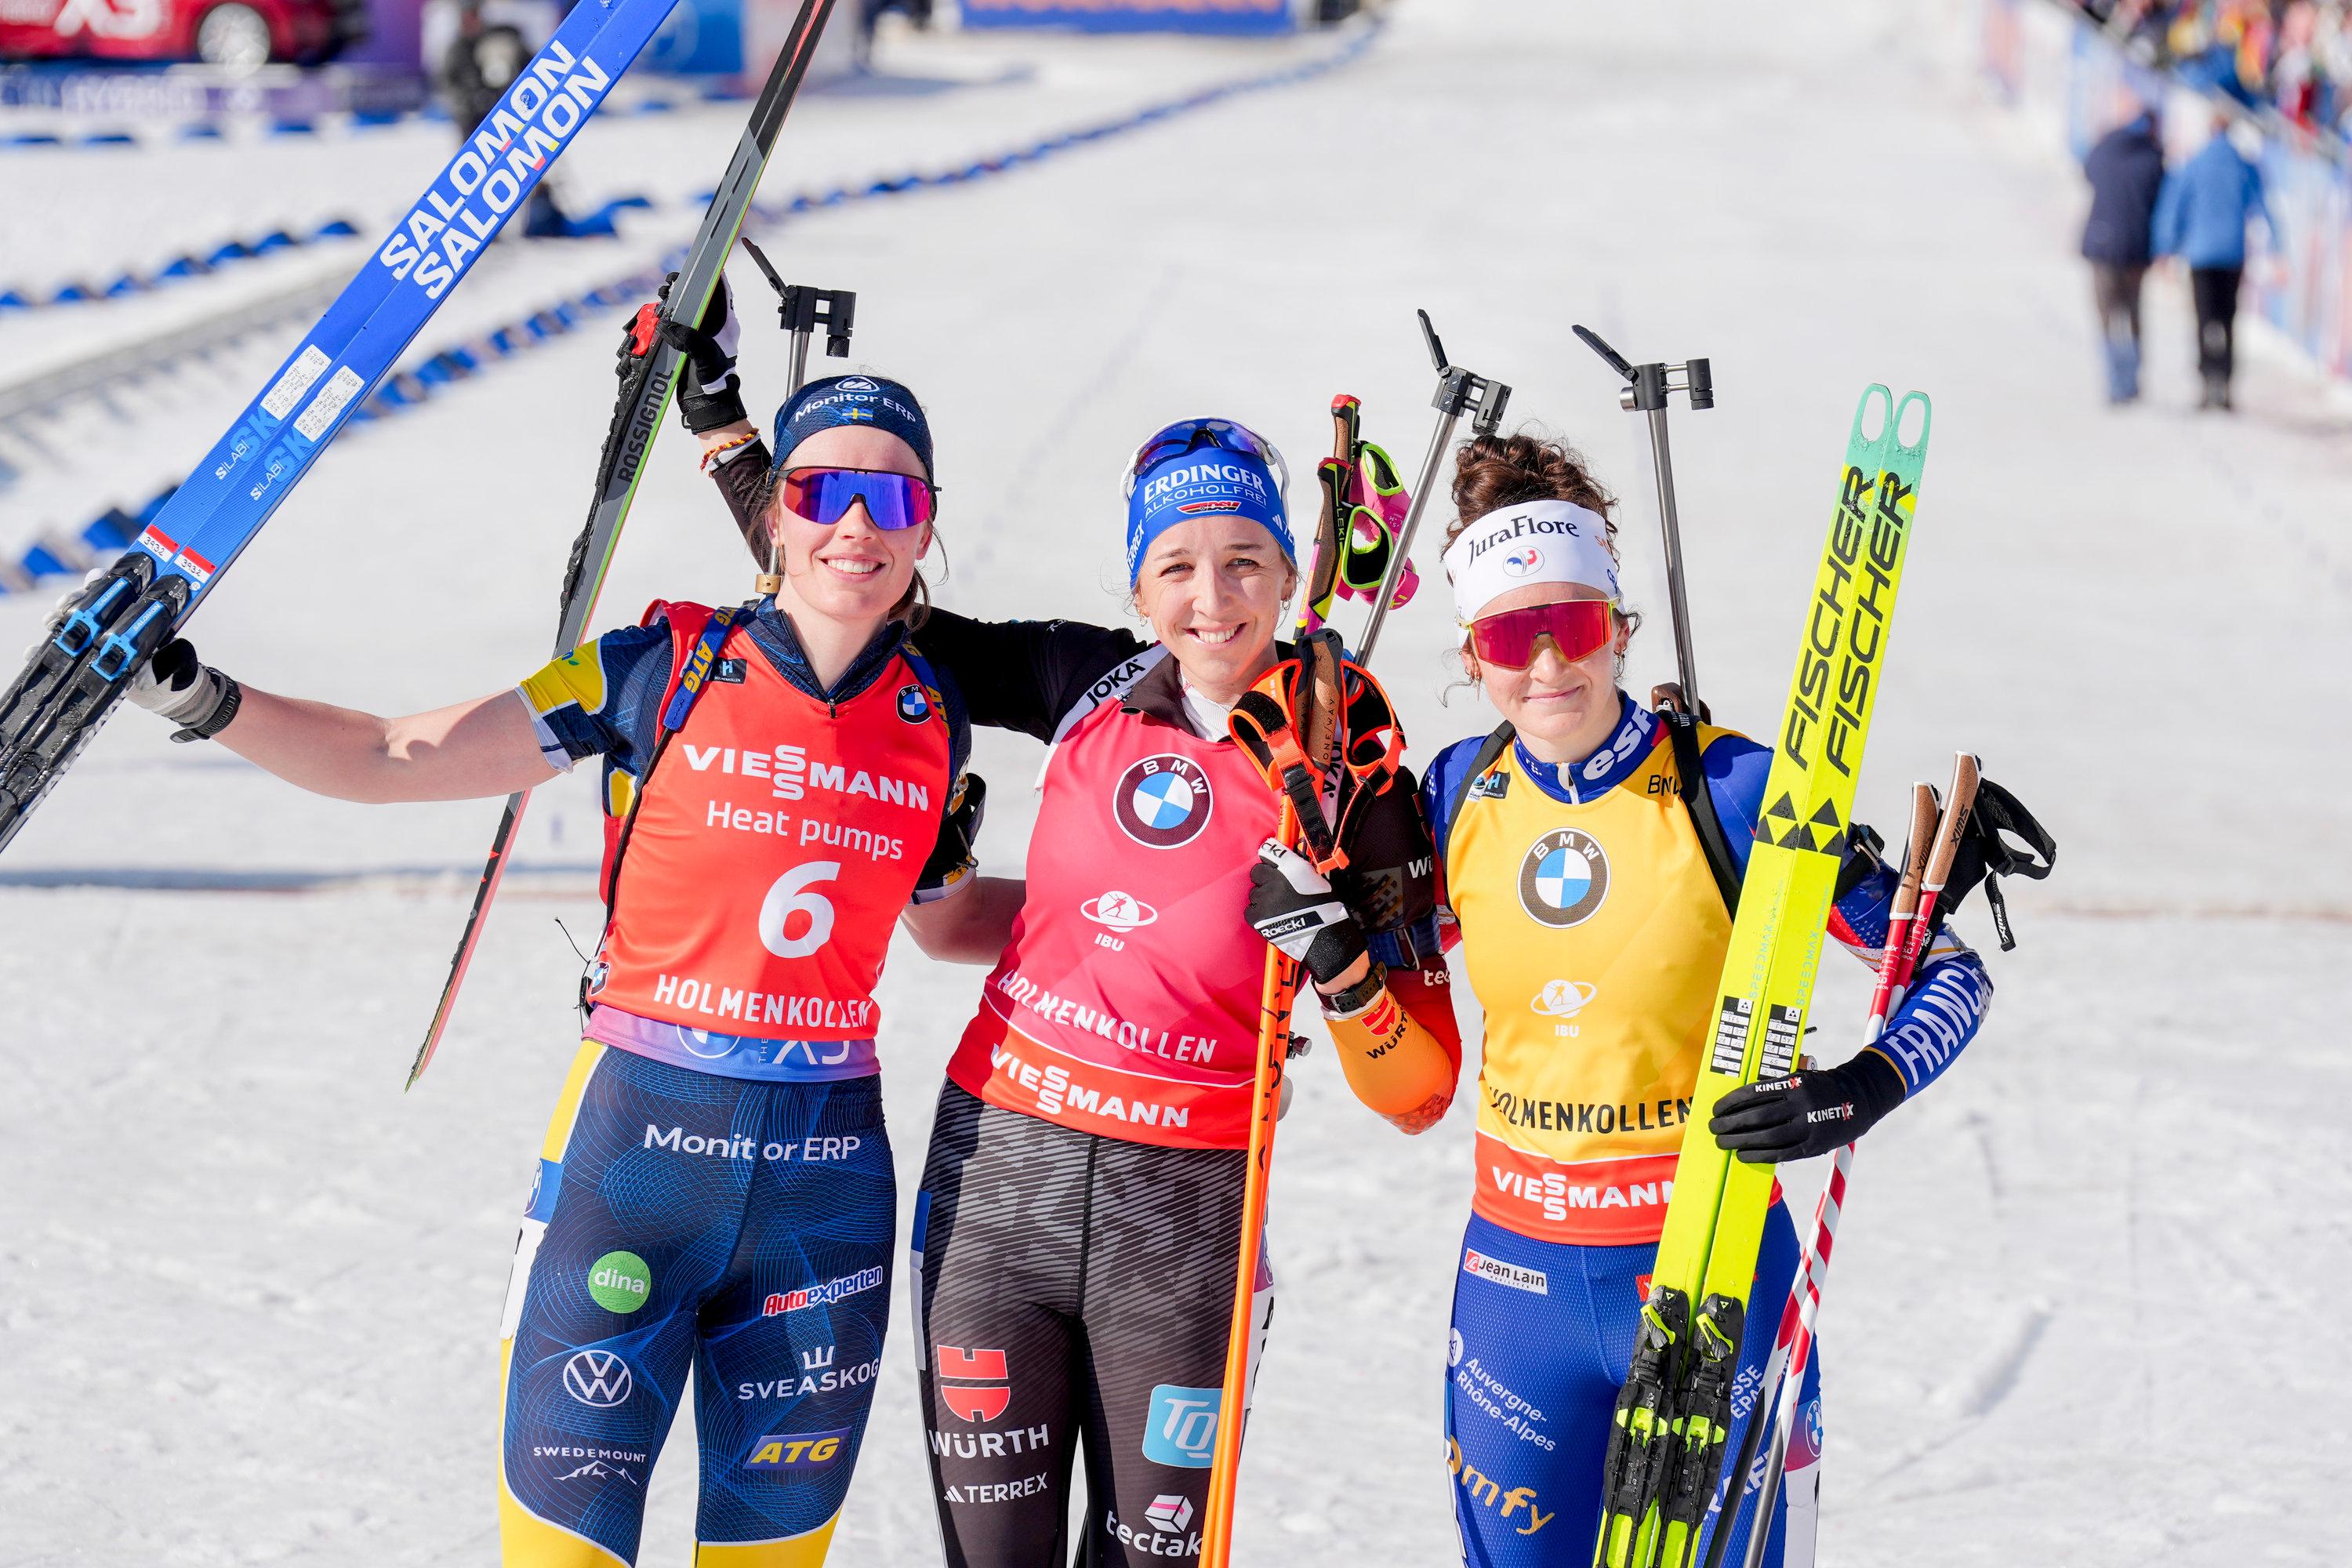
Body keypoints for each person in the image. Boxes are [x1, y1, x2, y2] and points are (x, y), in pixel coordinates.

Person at [86, 367, 978, 1567]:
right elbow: (399, 755)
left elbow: (957, 922)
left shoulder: (934, 717)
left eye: (890, 493)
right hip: (636, 1162)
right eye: (823, 487)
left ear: (927, 518)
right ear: (780, 511)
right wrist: (202, 698)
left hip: (827, 1194)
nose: (856, 523)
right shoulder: (655, 666)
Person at [679, 319, 1453, 1563]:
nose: (1212, 600)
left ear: (1289, 576)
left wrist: (1339, 959)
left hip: (1190, 1206)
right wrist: (727, 439)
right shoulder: (1083, 680)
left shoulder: (1351, 761)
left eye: (1246, 562)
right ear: (1137, 583)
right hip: (998, 1173)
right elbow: (853, 597)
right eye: (1180, 566)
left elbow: (1419, 1092)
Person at [1240, 432, 1998, 1568]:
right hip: (1517, 1282)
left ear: (1622, 627)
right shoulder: (1450, 799)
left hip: (1711, 1266)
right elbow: (1401, 1060)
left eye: (1575, 625)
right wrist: (1329, 945)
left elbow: (1949, 968)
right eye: (1509, 635)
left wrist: (1855, 1091)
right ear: (1473, 654)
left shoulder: (1733, 789)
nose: (1546, 664)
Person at [2154, 112, 2274, 409]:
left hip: (2200, 255)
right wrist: (2277, 250)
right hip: (2233, 254)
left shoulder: (2194, 164)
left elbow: (2173, 209)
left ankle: (2207, 383)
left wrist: (2165, 250)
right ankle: (2227, 386)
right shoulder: (2243, 165)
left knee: (2204, 320)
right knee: (2228, 320)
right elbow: (2263, 208)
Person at [2081, 105, 2165, 404]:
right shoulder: (2154, 159)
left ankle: (2114, 382)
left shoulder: (2103, 149)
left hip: (2101, 243)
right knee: (2133, 314)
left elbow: (2087, 173)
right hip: (2135, 247)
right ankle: (2130, 381)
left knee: (2105, 316)